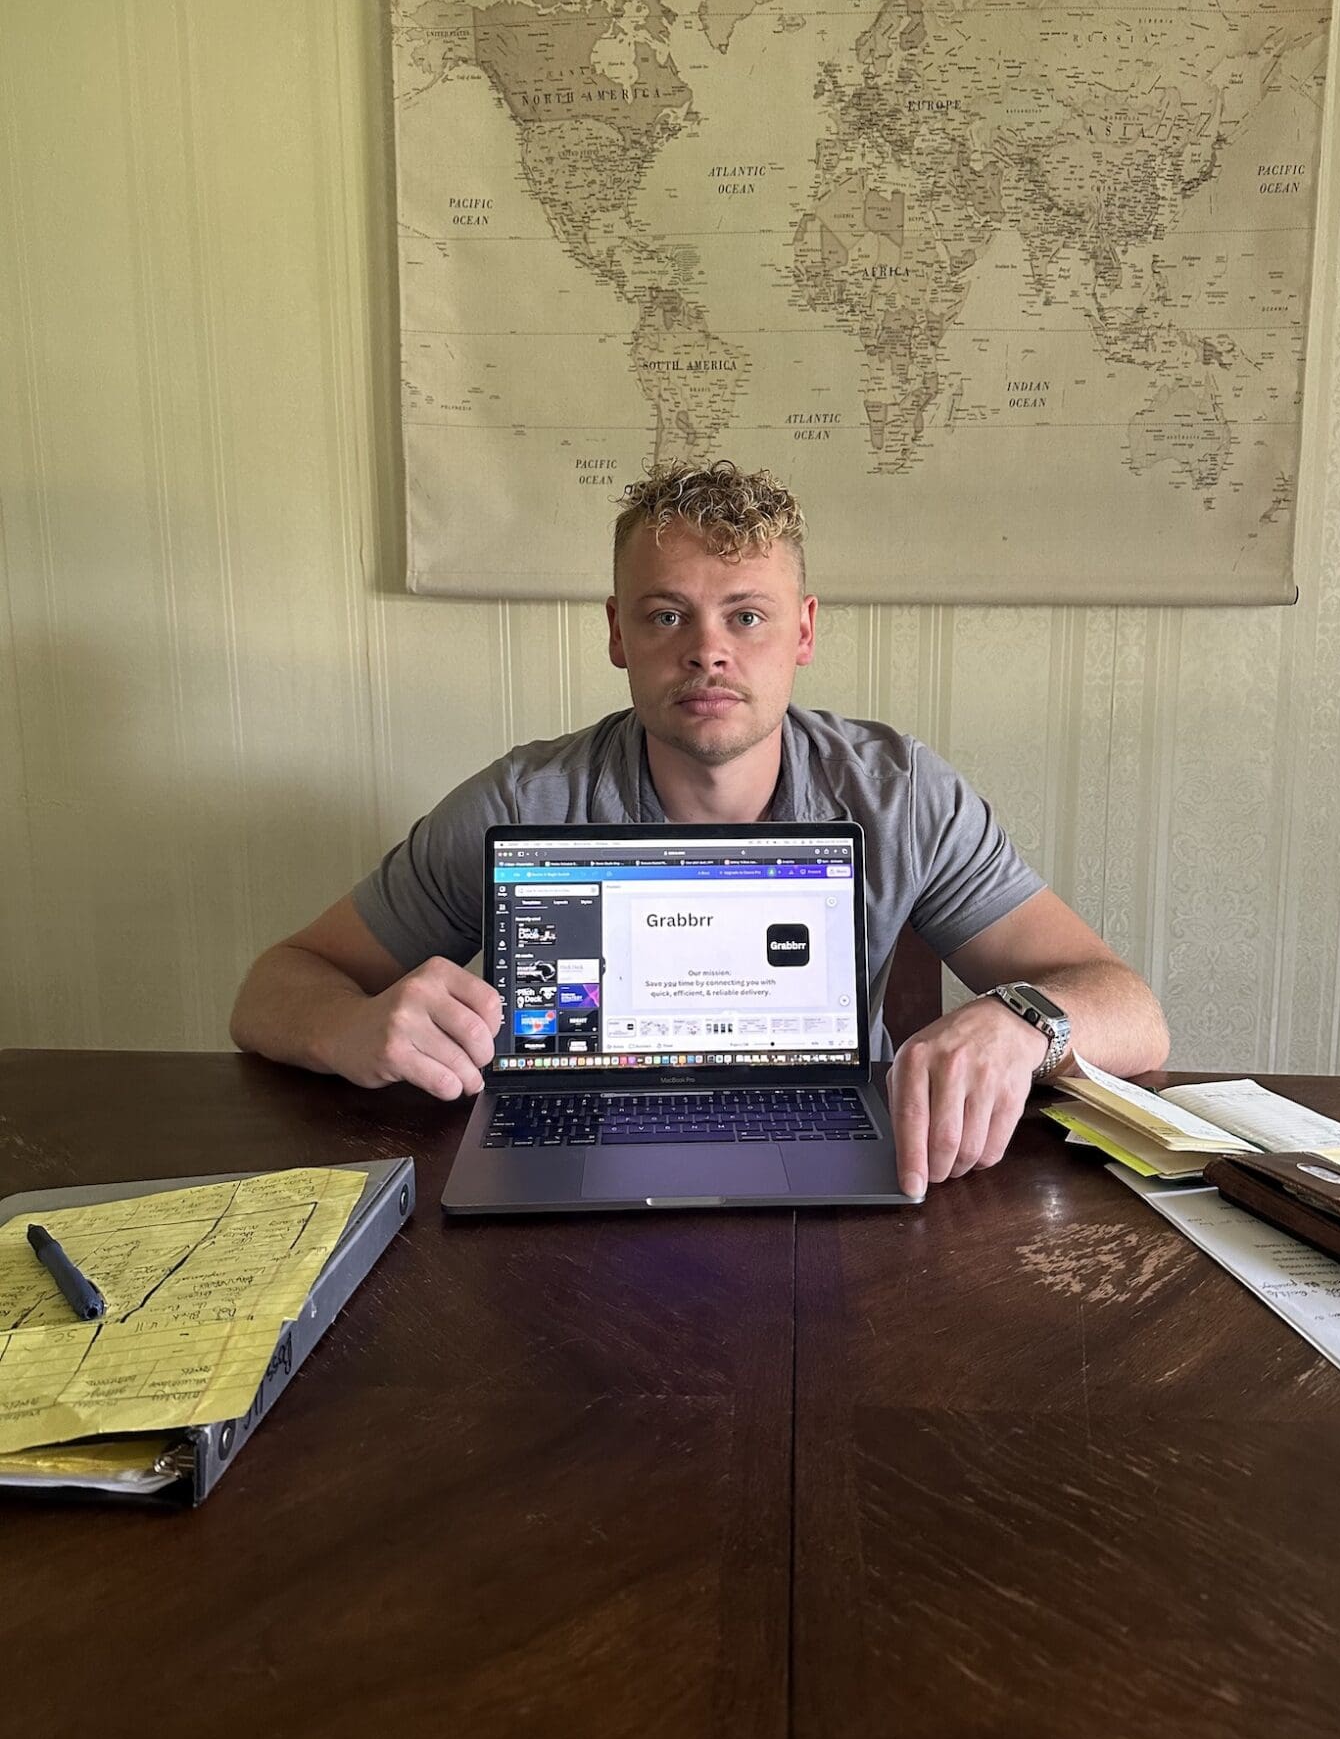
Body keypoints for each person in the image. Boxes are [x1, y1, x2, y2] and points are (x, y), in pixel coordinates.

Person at [230, 461, 1169, 1197]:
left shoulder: (901, 795)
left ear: (803, 632)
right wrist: (350, 1026)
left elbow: (1132, 1012)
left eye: (746, 616)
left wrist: (1022, 1023)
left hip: (844, 1177)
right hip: (561, 1177)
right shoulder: (520, 802)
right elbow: (274, 986)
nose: (707, 651)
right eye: (666, 615)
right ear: (617, 634)